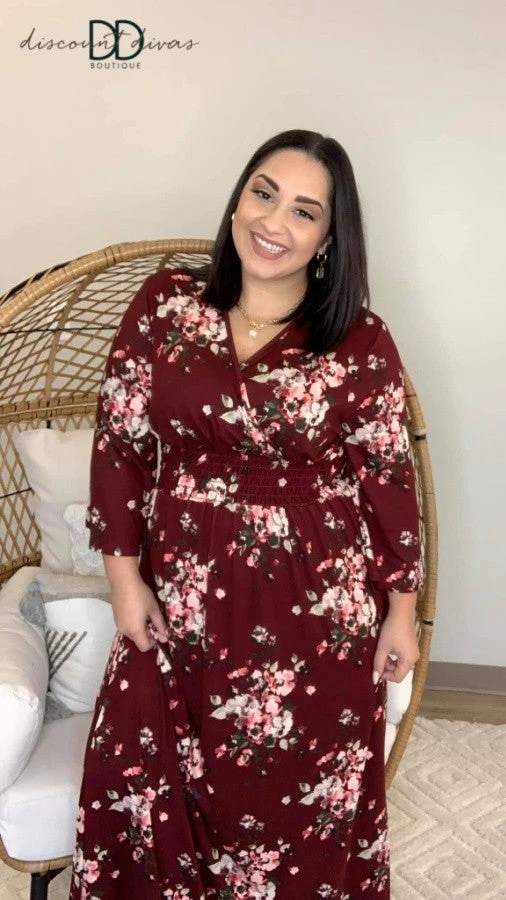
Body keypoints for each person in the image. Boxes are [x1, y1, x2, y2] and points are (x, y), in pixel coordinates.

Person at [69, 129, 423, 899]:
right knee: (141, 780)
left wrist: (402, 610)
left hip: (313, 605)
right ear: (237, 202)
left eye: (305, 211)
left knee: (291, 803)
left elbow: (389, 482)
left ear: (329, 240)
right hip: (176, 593)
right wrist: (124, 581)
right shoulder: (166, 304)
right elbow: (120, 442)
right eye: (264, 193)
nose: (274, 221)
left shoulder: (360, 342)